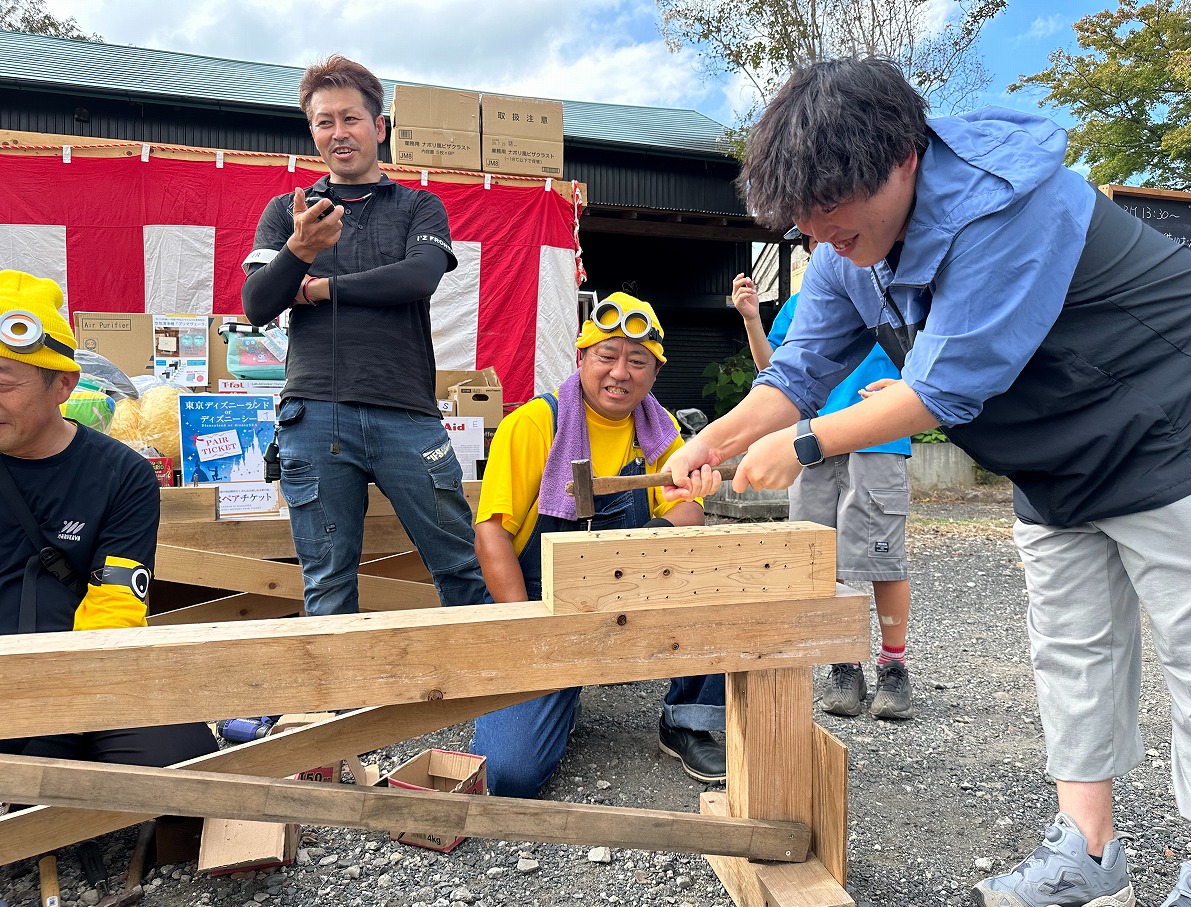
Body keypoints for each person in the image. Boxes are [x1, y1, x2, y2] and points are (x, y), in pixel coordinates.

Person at [667, 56, 1191, 907]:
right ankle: (1090, 850)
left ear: (905, 158)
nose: (822, 231)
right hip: (1057, 456)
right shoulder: (847, 251)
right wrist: (713, 441)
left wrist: (799, 448)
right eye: (804, 218)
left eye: (835, 205)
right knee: (1070, 648)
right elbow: (798, 373)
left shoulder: (1009, 204)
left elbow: (945, 388)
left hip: (1181, 428)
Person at [241, 54, 486, 615]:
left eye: (350, 118)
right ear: (312, 132)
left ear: (379, 128)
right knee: (326, 581)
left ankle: (485, 700)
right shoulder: (289, 212)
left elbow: (417, 278)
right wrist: (299, 251)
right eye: (324, 121)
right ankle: (334, 705)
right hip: (314, 411)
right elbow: (257, 304)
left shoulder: (419, 205)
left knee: (458, 565)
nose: (337, 132)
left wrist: (317, 288)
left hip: (405, 409)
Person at [470, 292, 726, 798]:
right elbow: (491, 532)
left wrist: (655, 540)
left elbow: (687, 512)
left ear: (654, 374)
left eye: (638, 361)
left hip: (625, 598)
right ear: (581, 359)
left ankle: (687, 720)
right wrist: (526, 629)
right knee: (510, 777)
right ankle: (560, 690)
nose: (620, 373)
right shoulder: (534, 425)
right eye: (607, 356)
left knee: (717, 570)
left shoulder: (663, 431)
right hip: (539, 606)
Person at [0, 269, 217, 767]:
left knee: (183, 758)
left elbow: (116, 601)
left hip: (83, 671)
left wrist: (60, 711)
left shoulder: (122, 474)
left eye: (4, 384)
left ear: (64, 384)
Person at [733, 232, 915, 720]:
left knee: (881, 557)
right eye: (813, 240)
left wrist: (907, 386)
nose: (823, 245)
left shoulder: (900, 290)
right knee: (818, 556)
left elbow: (937, 356)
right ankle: (843, 663)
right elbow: (778, 371)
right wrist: (752, 319)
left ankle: (893, 667)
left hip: (877, 436)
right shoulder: (799, 304)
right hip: (808, 443)